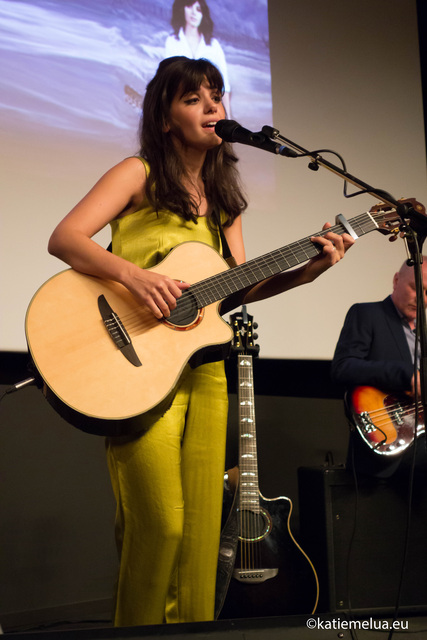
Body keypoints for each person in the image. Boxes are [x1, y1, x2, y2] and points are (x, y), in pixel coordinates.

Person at [48, 56, 353, 627]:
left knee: (201, 540)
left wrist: (308, 271)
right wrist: (133, 275)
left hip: (208, 368)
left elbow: (237, 288)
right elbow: (64, 237)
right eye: (194, 98)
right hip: (135, 368)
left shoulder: (226, 200)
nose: (213, 106)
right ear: (166, 117)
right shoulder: (136, 172)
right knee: (159, 525)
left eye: (216, 94)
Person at [331, 258, 427, 477]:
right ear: (396, 280)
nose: (420, 299)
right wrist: (407, 376)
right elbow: (343, 367)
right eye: (415, 288)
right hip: (388, 445)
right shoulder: (367, 314)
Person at [164, 0, 231, 114]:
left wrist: (228, 117)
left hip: (209, 110)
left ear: (203, 14)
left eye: (199, 10)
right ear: (182, 9)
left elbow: (225, 86)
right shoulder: (172, 42)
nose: (194, 13)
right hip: (183, 109)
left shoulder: (213, 45)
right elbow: (167, 82)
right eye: (190, 7)